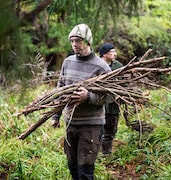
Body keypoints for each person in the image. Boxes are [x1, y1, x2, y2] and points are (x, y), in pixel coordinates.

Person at [51, 24, 113, 180]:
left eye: (78, 40)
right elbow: (61, 91)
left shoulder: (102, 67)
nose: (74, 44)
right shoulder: (67, 62)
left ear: (88, 41)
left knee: (85, 169)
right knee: (72, 165)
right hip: (71, 123)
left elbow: (111, 96)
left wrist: (88, 97)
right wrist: (56, 116)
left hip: (91, 126)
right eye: (72, 41)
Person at [99, 43, 124, 155]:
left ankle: (106, 153)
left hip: (113, 105)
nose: (115, 54)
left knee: (111, 130)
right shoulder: (96, 64)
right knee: (97, 131)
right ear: (104, 54)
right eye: (112, 51)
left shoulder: (118, 66)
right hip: (98, 104)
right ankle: (96, 154)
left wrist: (121, 93)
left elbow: (125, 82)